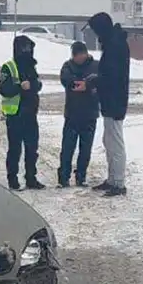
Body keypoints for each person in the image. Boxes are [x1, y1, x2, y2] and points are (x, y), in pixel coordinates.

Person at [86, 12, 131, 197]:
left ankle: (118, 183)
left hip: (115, 100)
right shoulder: (114, 42)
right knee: (109, 140)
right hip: (112, 99)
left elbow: (112, 76)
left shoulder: (115, 46)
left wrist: (95, 81)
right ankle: (113, 179)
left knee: (115, 142)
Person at [0, 35, 45, 190]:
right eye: (25, 48)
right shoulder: (9, 66)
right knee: (15, 150)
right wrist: (19, 87)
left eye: (29, 48)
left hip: (31, 114)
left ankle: (31, 178)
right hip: (15, 114)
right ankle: (13, 179)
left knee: (32, 149)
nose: (27, 51)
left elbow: (37, 84)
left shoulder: (31, 66)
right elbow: (3, 89)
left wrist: (34, 85)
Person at [58, 41, 100, 187]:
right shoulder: (68, 66)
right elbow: (65, 79)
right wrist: (78, 84)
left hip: (90, 114)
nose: (78, 59)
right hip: (72, 114)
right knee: (67, 148)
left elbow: (101, 82)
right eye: (76, 56)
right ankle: (63, 177)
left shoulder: (96, 66)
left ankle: (81, 176)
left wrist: (87, 86)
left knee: (85, 149)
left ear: (85, 53)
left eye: (81, 55)